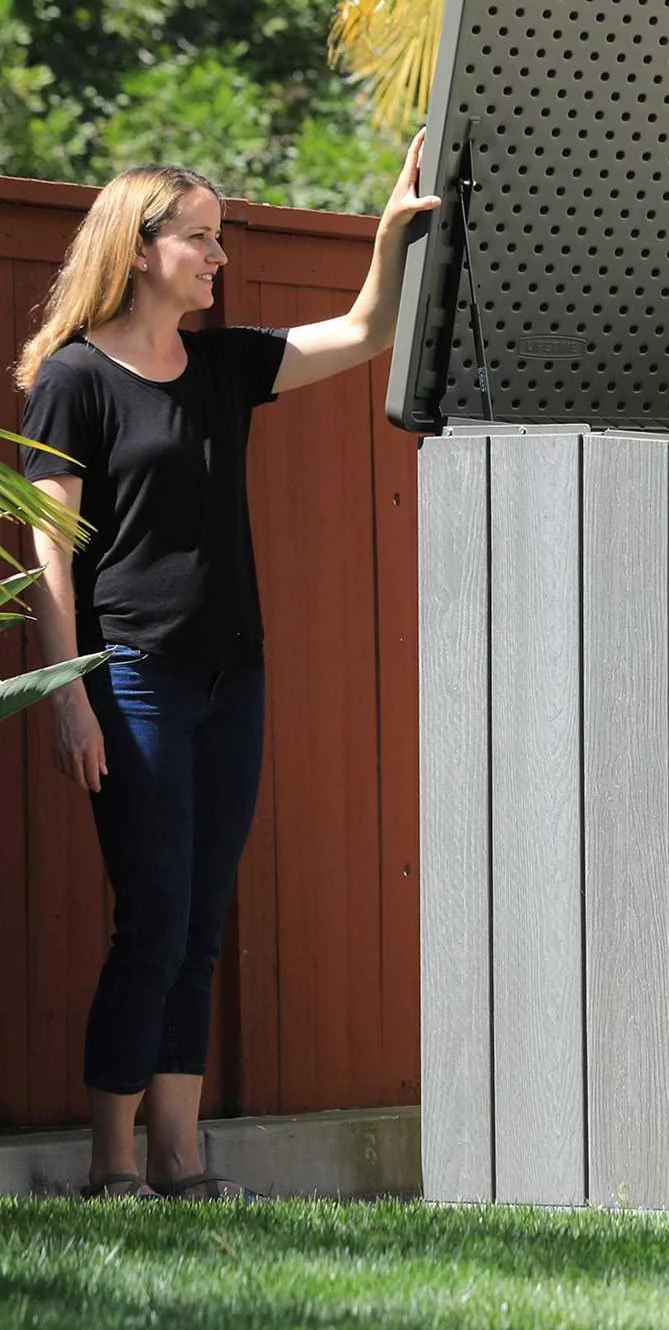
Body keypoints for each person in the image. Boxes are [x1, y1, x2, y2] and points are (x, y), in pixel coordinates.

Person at [14, 133, 436, 1200]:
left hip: (230, 677)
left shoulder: (222, 364)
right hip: (134, 677)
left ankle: (182, 1156)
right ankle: (111, 1162)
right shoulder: (72, 380)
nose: (218, 256)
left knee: (200, 919)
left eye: (218, 237)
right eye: (200, 237)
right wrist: (69, 698)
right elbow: (47, 549)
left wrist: (388, 232)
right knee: (151, 913)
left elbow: (365, 329)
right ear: (141, 247)